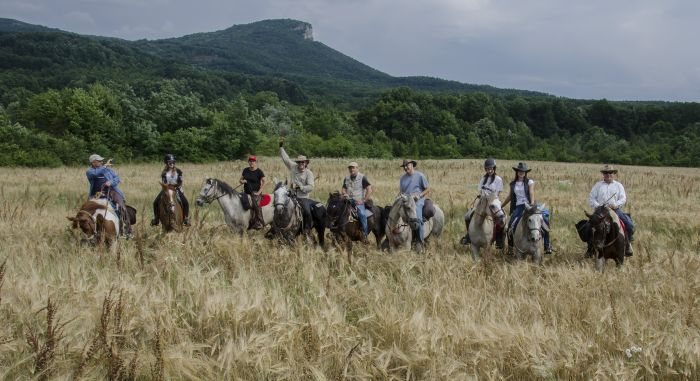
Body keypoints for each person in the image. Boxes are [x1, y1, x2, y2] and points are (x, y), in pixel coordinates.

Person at [502, 162, 552, 255]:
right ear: (517, 172)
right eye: (519, 171)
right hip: (519, 206)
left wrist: (532, 203)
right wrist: (502, 205)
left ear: (526, 173)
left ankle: (547, 245)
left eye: (523, 171)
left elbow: (531, 192)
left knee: (544, 220)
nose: (521, 173)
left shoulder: (530, 182)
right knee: (510, 225)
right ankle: (510, 247)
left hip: (530, 205)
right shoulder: (513, 184)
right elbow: (510, 196)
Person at [588, 164, 635, 256]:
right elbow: (591, 198)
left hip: (615, 210)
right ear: (603, 174)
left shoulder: (619, 185)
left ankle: (627, 245)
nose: (608, 174)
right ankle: (591, 248)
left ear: (614, 174)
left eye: (610, 172)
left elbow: (623, 198)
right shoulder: (597, 185)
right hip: (600, 211)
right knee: (588, 227)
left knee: (629, 225)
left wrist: (615, 205)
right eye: (606, 173)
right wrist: (598, 206)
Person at [460, 158, 504, 247]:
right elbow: (480, 190)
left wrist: (490, 198)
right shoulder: (483, 178)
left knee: (502, 219)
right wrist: (483, 197)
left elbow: (498, 193)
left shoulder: (498, 179)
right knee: (467, 216)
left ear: (494, 168)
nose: (489, 170)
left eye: (491, 168)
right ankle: (469, 235)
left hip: (493, 201)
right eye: (487, 168)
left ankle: (499, 239)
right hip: (482, 201)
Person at [86, 153, 132, 237]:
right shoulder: (90, 171)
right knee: (86, 211)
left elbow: (117, 178)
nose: (101, 162)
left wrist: (110, 182)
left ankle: (128, 230)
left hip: (112, 191)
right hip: (95, 194)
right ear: (93, 163)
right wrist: (105, 166)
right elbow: (96, 174)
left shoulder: (107, 169)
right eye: (99, 161)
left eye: (101, 161)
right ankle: (87, 231)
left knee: (122, 207)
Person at [279, 138, 315, 235]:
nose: (301, 164)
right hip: (291, 195)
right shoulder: (293, 166)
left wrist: (301, 187)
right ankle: (277, 227)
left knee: (307, 212)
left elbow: (311, 186)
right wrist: (281, 147)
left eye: (303, 162)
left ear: (306, 163)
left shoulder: (309, 173)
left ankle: (307, 229)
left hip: (303, 197)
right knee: (278, 205)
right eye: (299, 162)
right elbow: (286, 159)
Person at [399, 159, 431, 249]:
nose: (405, 168)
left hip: (417, 200)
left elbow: (428, 189)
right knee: (395, 215)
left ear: (412, 165)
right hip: (406, 200)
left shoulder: (420, 175)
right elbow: (401, 191)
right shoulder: (402, 178)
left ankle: (420, 242)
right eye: (404, 166)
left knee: (417, 219)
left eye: (407, 166)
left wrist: (419, 196)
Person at [151, 154, 190, 226]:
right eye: (170, 162)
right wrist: (167, 188)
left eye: (173, 162)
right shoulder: (164, 173)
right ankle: (156, 219)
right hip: (166, 189)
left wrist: (176, 186)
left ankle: (186, 218)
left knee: (186, 202)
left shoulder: (178, 171)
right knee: (155, 202)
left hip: (176, 189)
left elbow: (180, 181)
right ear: (166, 163)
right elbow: (164, 183)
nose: (172, 164)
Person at [341, 162, 373, 242]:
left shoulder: (362, 177)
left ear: (357, 168)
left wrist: (364, 200)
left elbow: (369, 189)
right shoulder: (347, 178)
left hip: (358, 202)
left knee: (362, 214)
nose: (352, 169)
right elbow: (343, 189)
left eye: (353, 168)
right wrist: (344, 193)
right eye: (350, 168)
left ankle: (364, 235)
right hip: (347, 200)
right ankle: (335, 231)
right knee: (337, 210)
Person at [240, 155, 266, 229]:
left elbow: (264, 182)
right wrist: (243, 181)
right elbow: (240, 180)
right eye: (250, 161)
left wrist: (259, 192)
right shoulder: (245, 170)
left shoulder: (259, 171)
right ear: (248, 162)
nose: (251, 162)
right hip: (246, 192)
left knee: (256, 203)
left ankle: (259, 222)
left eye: (253, 161)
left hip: (255, 192)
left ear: (255, 162)